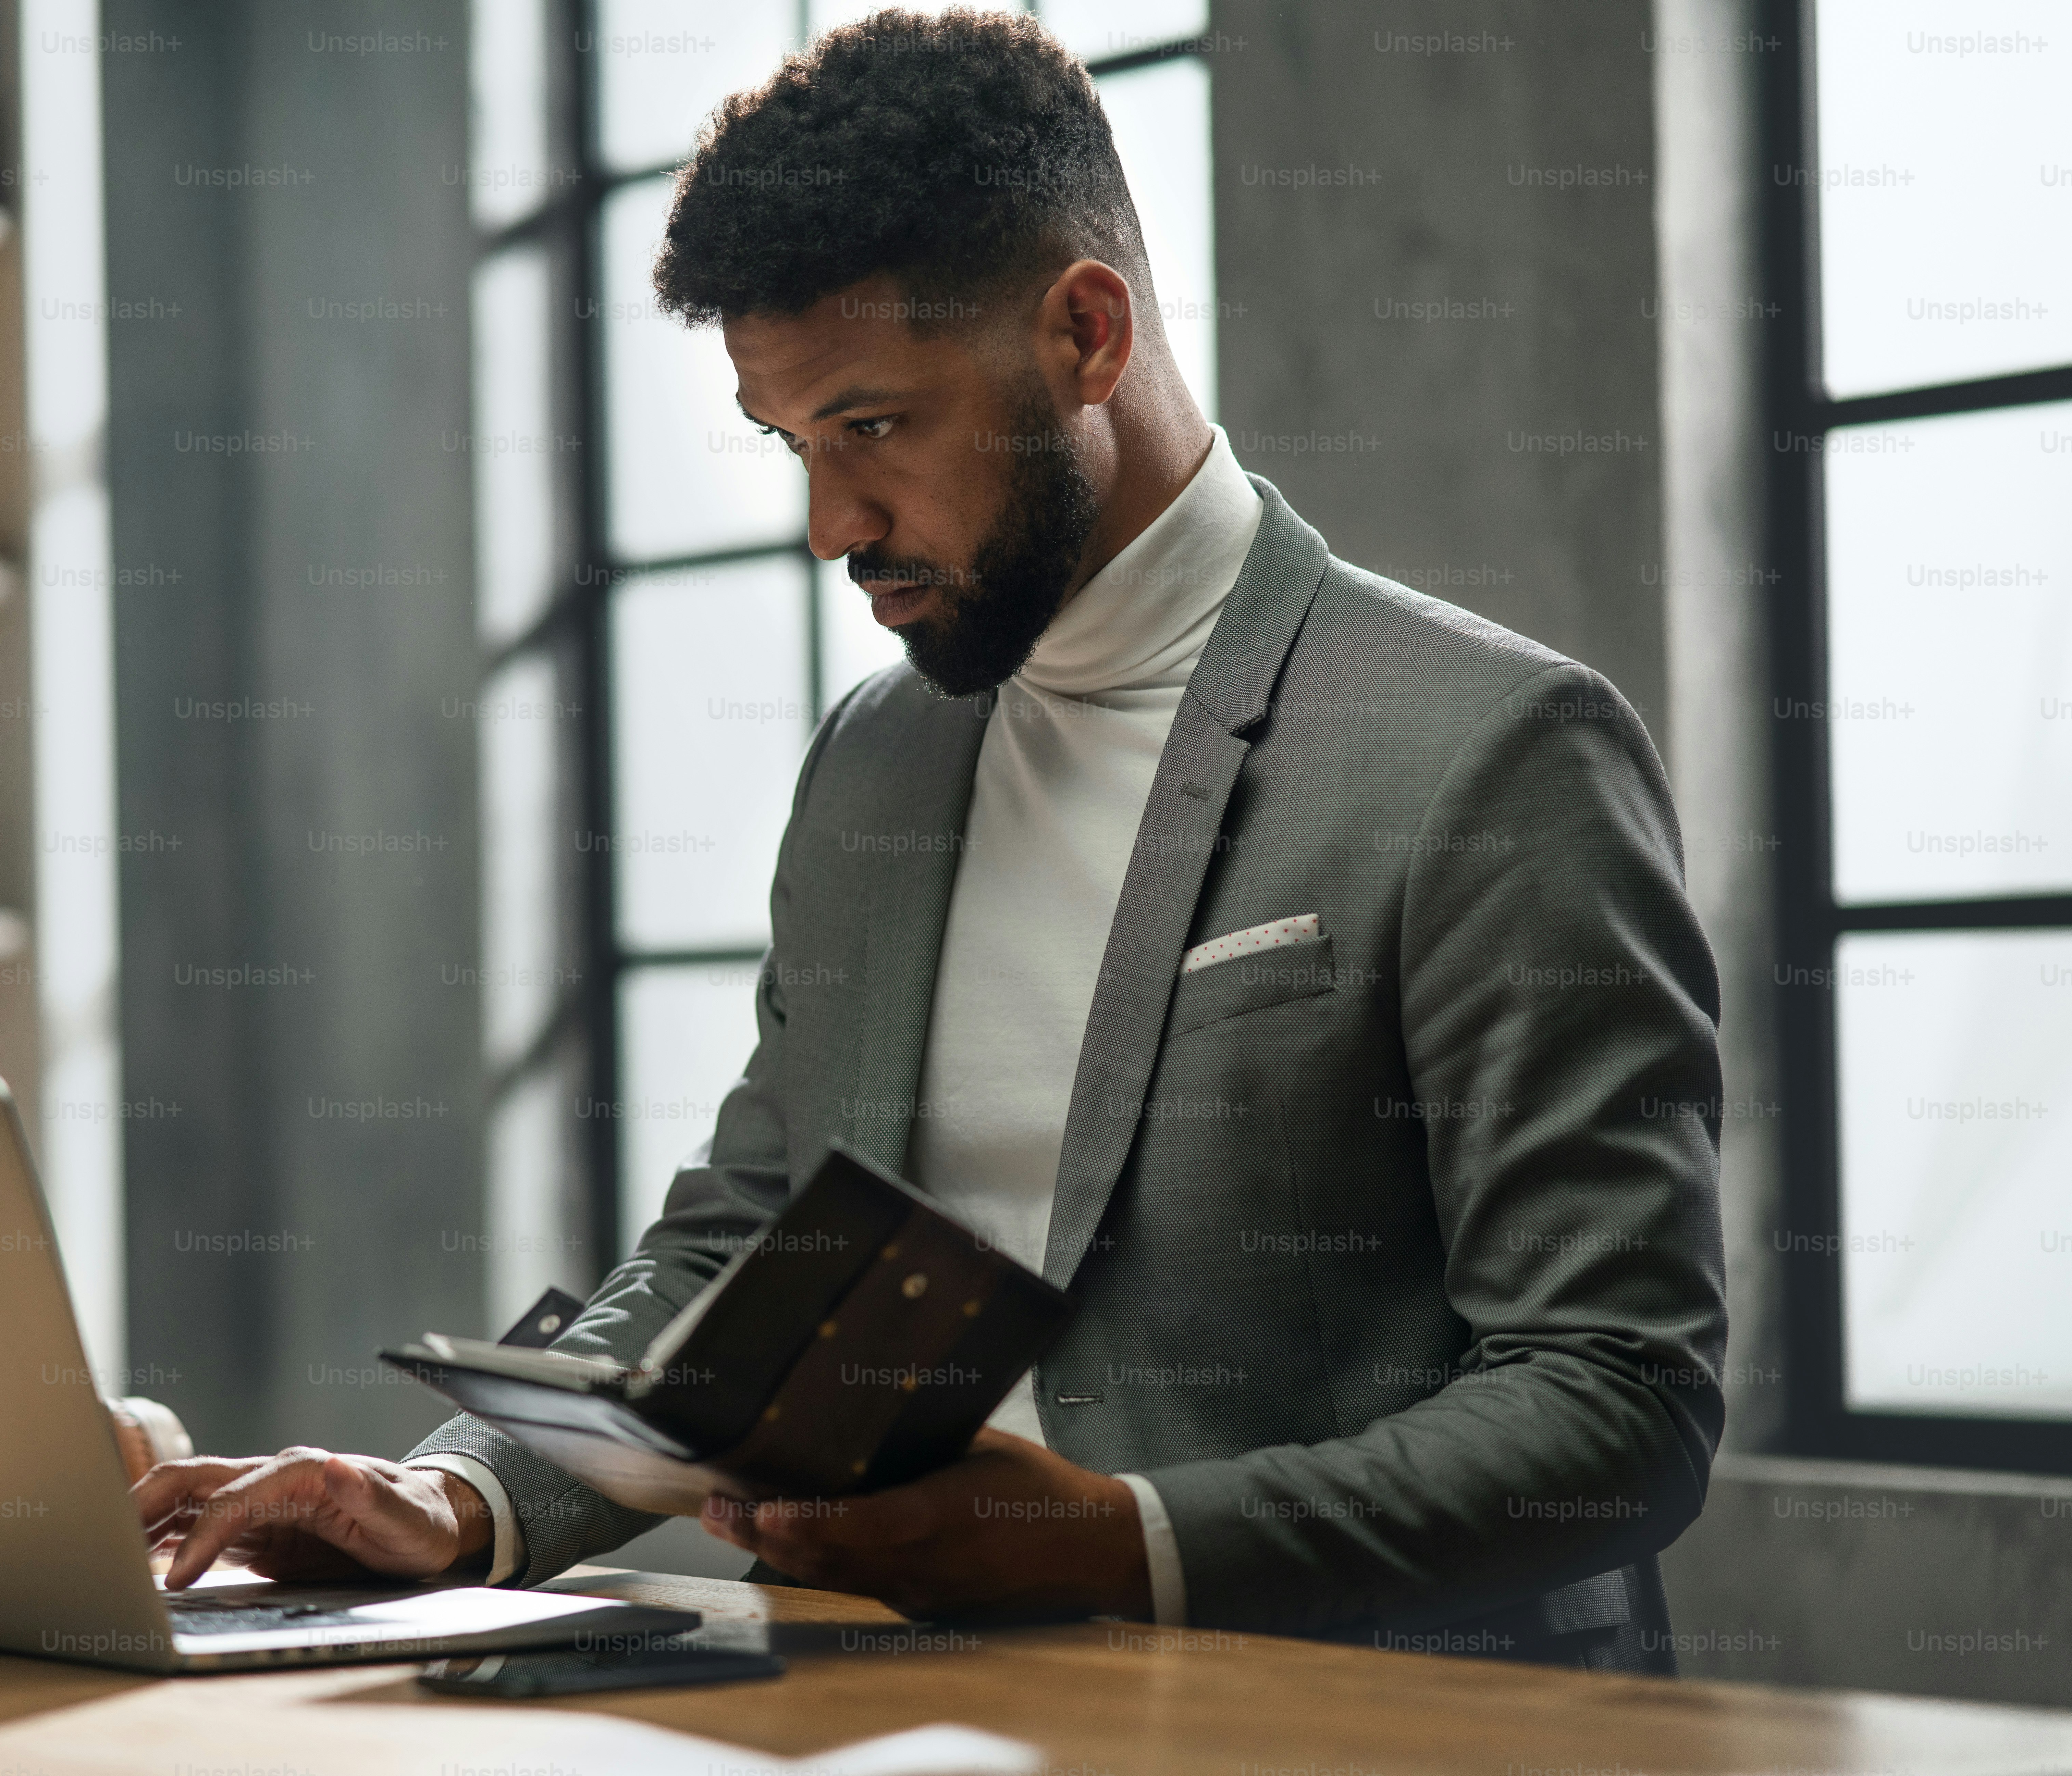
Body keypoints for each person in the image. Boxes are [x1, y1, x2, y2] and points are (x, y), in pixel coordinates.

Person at [133, 9, 1726, 1671]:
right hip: (903, 1700)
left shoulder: (1492, 749)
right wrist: (459, 1501)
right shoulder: (878, 760)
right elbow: (747, 1240)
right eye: (794, 446)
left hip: (1387, 1720)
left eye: (875, 427)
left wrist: (1116, 1542)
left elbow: (1615, 1395)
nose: (833, 525)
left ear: (1087, 334)